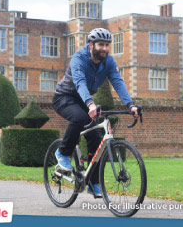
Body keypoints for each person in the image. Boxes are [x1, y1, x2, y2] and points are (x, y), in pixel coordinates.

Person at [52, 27, 139, 198]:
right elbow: (80, 83)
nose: (105, 48)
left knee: (96, 137)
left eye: (107, 45)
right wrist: (90, 104)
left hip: (84, 101)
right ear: (91, 44)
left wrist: (131, 105)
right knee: (79, 117)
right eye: (101, 44)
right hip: (65, 97)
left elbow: (118, 82)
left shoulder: (109, 62)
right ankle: (62, 152)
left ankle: (93, 181)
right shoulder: (79, 58)